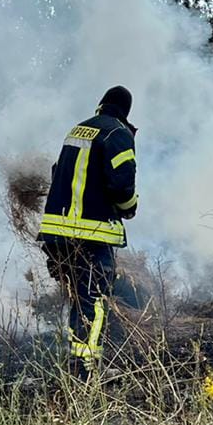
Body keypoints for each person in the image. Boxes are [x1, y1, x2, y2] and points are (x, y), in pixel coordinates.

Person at [38, 85, 138, 380]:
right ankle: (84, 370)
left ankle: (72, 359)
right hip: (90, 231)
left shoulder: (79, 130)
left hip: (58, 231)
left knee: (79, 297)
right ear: (125, 111)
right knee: (92, 299)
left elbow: (57, 173)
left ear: (101, 105)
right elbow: (122, 186)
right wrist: (129, 207)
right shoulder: (117, 134)